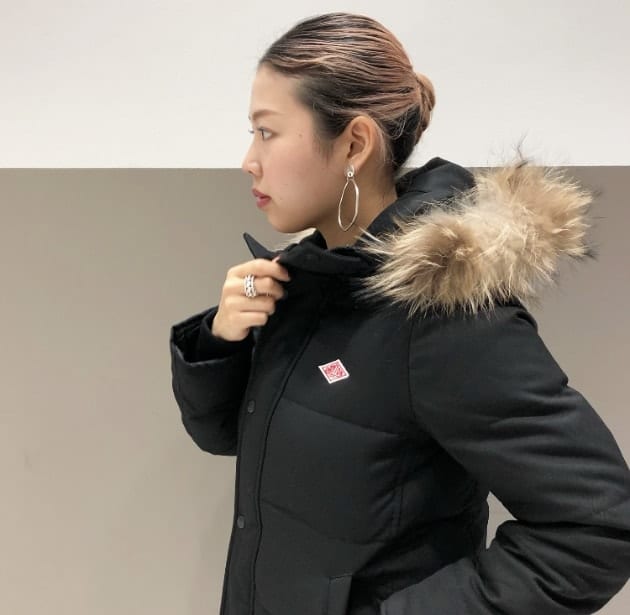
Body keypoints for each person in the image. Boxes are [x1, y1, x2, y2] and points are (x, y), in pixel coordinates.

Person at [169, 12, 630, 615]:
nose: (248, 160)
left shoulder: (442, 312)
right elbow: (226, 436)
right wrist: (221, 341)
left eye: (267, 132)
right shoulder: (311, 282)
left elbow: (597, 528)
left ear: (355, 143)